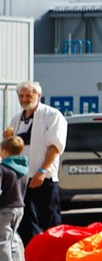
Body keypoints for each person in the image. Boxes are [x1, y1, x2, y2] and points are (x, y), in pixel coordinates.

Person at [12, 81, 67, 243]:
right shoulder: (16, 119)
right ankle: (31, 254)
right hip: (22, 179)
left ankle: (54, 253)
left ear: (39, 96)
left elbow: (55, 147)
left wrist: (42, 171)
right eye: (21, 96)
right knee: (26, 223)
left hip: (44, 178)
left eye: (28, 95)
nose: (24, 99)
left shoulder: (52, 116)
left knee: (50, 221)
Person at [0, 139, 25, 261]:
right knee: (13, 240)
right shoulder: (23, 169)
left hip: (4, 208)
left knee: (2, 240)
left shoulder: (2, 168)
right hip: (19, 208)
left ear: (5, 151)